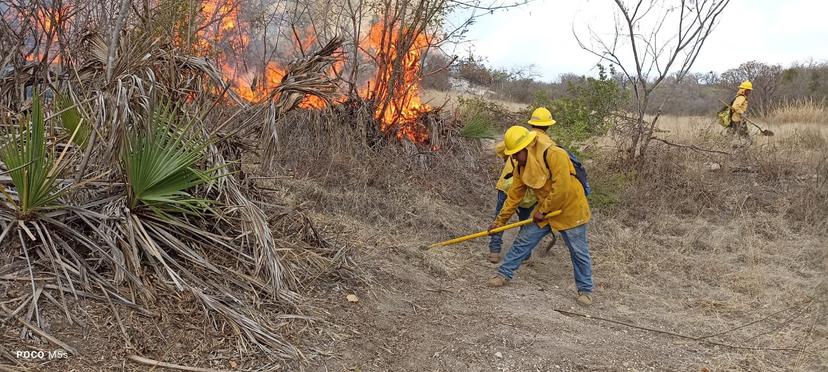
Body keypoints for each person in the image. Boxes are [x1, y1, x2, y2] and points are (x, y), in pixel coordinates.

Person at [486, 125, 595, 306]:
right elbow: (513, 198)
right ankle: (503, 274)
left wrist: (542, 211)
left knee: (578, 251)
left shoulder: (554, 154)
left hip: (570, 210)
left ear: (527, 147)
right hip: (546, 211)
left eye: (516, 153)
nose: (512, 157)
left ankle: (585, 290)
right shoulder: (521, 167)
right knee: (524, 240)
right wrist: (499, 222)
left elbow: (561, 188)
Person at [487, 107, 557, 264]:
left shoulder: (522, 137)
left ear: (531, 123)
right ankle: (523, 255)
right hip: (530, 190)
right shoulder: (549, 144)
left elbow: (500, 149)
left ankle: (495, 251)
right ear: (549, 125)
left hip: (507, 185)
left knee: (500, 217)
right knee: (525, 222)